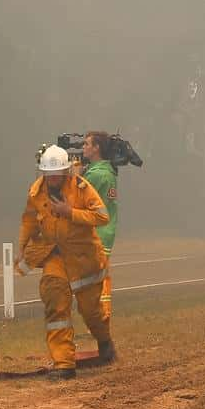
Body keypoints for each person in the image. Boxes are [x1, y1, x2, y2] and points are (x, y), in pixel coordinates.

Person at [17, 144, 115, 379]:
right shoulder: (35, 192)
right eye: (47, 175)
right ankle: (63, 364)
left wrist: (70, 212)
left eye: (56, 174)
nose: (51, 179)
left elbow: (102, 216)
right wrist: (21, 246)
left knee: (90, 311)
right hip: (55, 255)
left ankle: (104, 341)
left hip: (84, 259)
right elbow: (29, 220)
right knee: (55, 302)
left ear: (66, 172)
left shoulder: (81, 188)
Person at [80, 131, 119, 323]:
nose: (83, 147)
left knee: (95, 282)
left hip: (96, 233)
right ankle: (100, 319)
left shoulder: (95, 175)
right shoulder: (108, 171)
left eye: (87, 144)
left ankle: (99, 320)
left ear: (97, 148)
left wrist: (73, 177)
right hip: (106, 232)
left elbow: (78, 199)